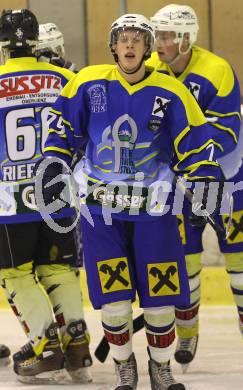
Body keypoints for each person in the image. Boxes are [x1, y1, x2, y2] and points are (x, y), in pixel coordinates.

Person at [39, 13, 225, 390]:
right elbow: (62, 131)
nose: (129, 44)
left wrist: (205, 176)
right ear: (113, 46)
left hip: (153, 210)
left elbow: (195, 142)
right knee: (115, 299)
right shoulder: (88, 82)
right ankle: (125, 366)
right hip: (101, 210)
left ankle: (161, 366)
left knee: (159, 300)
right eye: (122, 38)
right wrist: (55, 165)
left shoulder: (171, 92)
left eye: (137, 39)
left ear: (147, 47)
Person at [148, 3, 243, 372]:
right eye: (158, 35)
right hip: (180, 186)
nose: (159, 43)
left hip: (228, 182)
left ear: (185, 38)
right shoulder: (152, 74)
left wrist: (196, 170)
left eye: (165, 36)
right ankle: (187, 332)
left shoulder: (216, 70)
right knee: (184, 261)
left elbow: (225, 134)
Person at [0, 9, 92, 383]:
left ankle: (46, 345)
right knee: (59, 270)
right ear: (37, 42)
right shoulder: (66, 78)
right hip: (57, 194)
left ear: (4, 45)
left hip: (10, 198)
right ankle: (78, 344)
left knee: (15, 274)